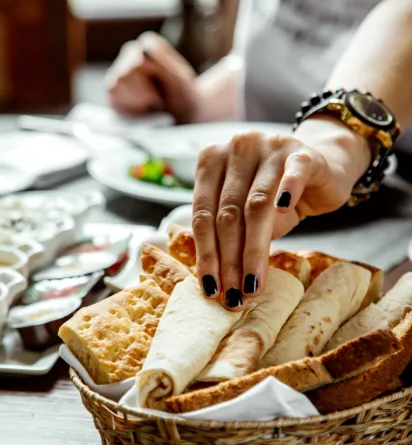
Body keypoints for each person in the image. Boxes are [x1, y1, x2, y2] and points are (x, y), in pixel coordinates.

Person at [106, 0, 412, 310]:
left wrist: (334, 141)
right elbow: (273, 68)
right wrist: (194, 101)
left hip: (394, 230)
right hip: (272, 223)